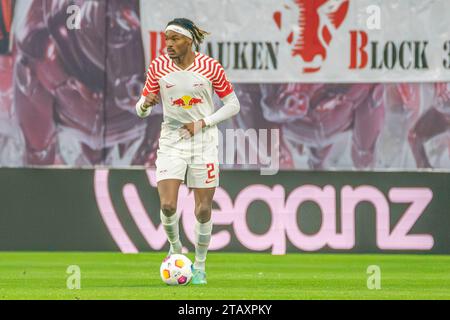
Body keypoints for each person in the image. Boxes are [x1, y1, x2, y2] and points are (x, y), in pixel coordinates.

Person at [135, 18, 240, 285]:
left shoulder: (210, 67)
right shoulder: (158, 66)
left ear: (189, 41)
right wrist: (144, 104)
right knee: (168, 205)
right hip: (171, 140)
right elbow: (141, 108)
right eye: (166, 39)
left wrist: (203, 122)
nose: (168, 44)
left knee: (203, 210)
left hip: (204, 141)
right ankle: (175, 249)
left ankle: (200, 266)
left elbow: (233, 105)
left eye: (175, 39)